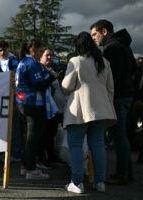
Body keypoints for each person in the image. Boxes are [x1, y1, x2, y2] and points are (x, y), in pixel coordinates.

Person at [62, 32, 116, 193]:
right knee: (98, 146)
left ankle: (77, 183)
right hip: (101, 110)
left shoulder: (75, 61)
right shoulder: (104, 62)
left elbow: (66, 86)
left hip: (79, 110)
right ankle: (100, 182)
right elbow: (110, 88)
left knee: (76, 146)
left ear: (77, 47)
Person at [90, 19, 137, 185]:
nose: (93, 38)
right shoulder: (124, 46)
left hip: (117, 97)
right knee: (122, 136)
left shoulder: (111, 48)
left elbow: (110, 78)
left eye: (95, 34)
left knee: (119, 137)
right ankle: (127, 173)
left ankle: (122, 174)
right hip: (127, 96)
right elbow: (134, 71)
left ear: (104, 32)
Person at [15, 40, 58, 180]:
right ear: (32, 50)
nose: (41, 55)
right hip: (32, 103)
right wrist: (51, 77)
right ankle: (31, 169)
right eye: (40, 51)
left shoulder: (23, 62)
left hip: (22, 103)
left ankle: (24, 166)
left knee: (27, 137)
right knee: (32, 138)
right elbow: (40, 85)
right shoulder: (31, 63)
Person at [38, 48, 67, 169]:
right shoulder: (39, 69)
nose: (49, 57)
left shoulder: (55, 69)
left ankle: (52, 156)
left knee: (53, 134)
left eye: (51, 55)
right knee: (46, 135)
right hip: (46, 108)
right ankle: (44, 158)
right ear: (41, 57)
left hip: (58, 109)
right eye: (47, 55)